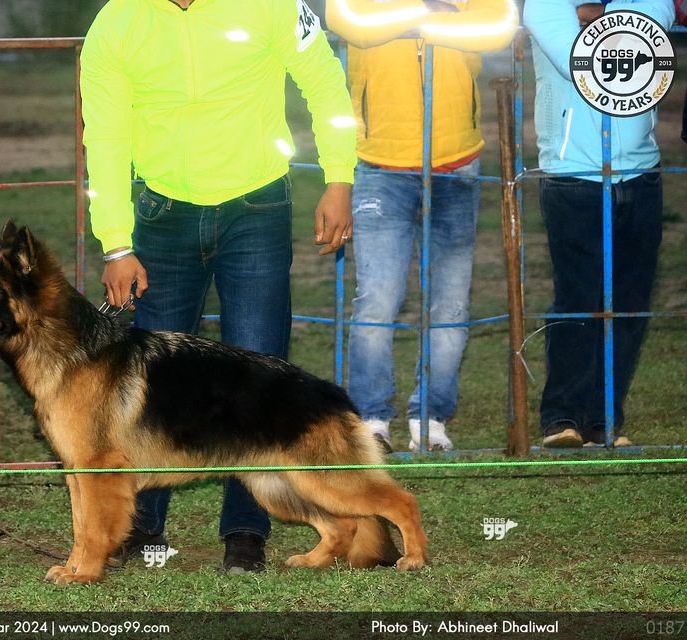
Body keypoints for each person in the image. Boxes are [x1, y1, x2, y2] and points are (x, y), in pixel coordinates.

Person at [81, 0, 356, 572]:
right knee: (150, 379)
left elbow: (325, 83)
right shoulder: (116, 21)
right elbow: (103, 135)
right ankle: (141, 526)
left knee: (259, 372)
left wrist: (339, 179)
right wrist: (116, 244)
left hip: (258, 206)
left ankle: (246, 530)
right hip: (161, 214)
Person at [327, 0, 517, 452]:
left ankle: (431, 418)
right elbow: (349, 21)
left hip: (458, 163)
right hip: (380, 165)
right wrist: (434, 13)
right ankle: (371, 418)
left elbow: (500, 27)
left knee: (450, 304)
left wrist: (403, 22)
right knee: (377, 298)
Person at [524, 0, 673, 447]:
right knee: (579, 299)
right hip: (574, 173)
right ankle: (562, 416)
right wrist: (615, 20)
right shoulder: (546, 4)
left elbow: (655, 21)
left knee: (629, 305)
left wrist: (600, 13)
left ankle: (604, 420)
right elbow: (586, 65)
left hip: (641, 172)